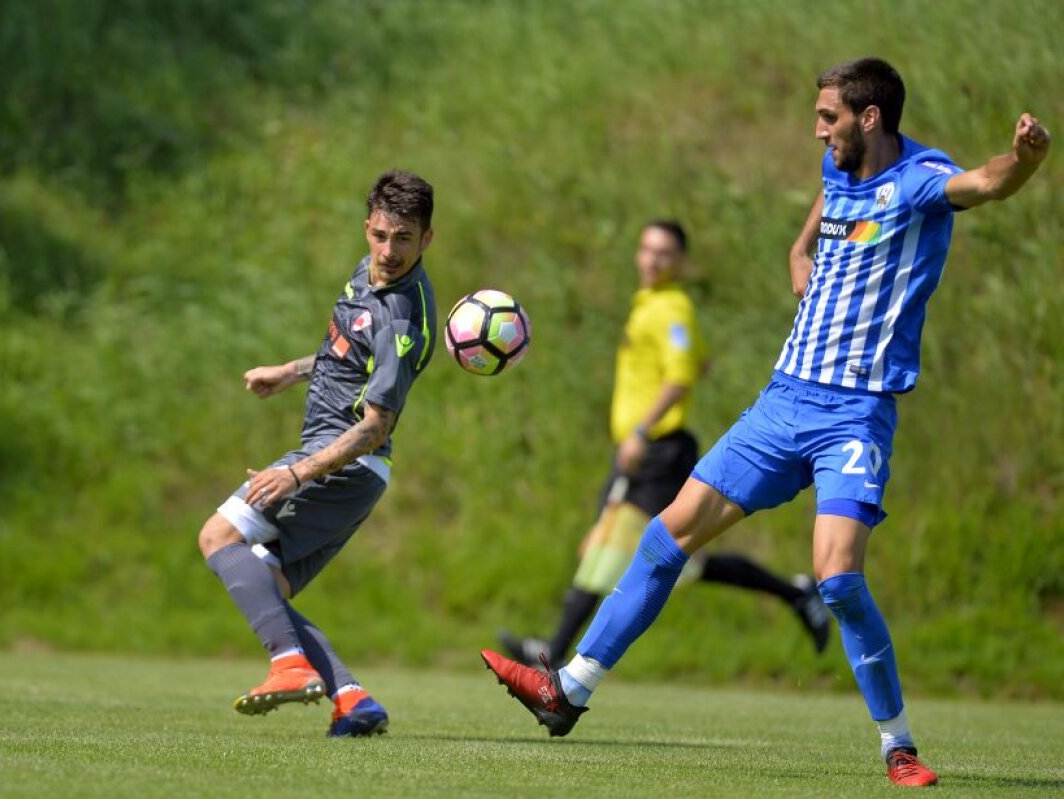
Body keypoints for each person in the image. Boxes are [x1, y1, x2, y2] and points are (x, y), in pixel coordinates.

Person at [481, 58, 1051, 787]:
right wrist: (797, 247)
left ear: (869, 118)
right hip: (782, 402)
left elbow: (987, 182)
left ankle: (897, 745)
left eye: (828, 118)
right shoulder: (836, 165)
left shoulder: (917, 182)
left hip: (854, 413)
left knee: (838, 578)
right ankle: (567, 689)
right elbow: (824, 201)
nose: (816, 129)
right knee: (665, 536)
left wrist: (1026, 159)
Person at [497, 220, 829, 671]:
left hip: (657, 451)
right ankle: (796, 593)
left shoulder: (671, 308)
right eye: (646, 249)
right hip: (640, 453)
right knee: (679, 558)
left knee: (610, 548)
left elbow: (681, 374)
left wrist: (641, 430)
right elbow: (699, 360)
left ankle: (554, 655)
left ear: (682, 262)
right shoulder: (651, 304)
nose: (652, 259)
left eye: (665, 253)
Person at [199, 169, 436, 738]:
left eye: (405, 238)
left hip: (341, 464)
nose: (389, 250)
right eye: (381, 235)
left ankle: (286, 665)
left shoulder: (401, 315)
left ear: (427, 239)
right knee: (265, 587)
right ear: (367, 228)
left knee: (218, 537)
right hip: (340, 467)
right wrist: (293, 370)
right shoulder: (370, 278)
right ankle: (353, 700)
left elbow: (375, 426)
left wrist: (298, 474)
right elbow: (348, 353)